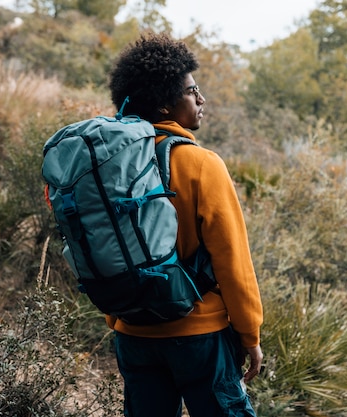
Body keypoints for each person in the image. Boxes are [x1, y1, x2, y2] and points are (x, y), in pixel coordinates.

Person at [106, 31, 263, 417]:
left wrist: (120, 316)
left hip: (132, 333)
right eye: (192, 91)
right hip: (198, 335)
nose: (201, 98)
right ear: (164, 104)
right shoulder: (201, 164)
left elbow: (100, 243)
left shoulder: (110, 164)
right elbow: (232, 259)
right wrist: (249, 334)